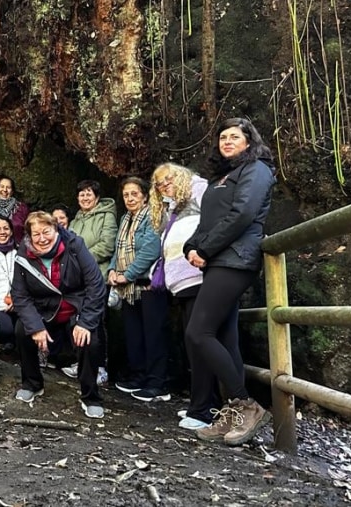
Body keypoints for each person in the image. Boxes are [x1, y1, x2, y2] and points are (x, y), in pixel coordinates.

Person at [184, 118, 276, 445]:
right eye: (222, 137)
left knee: (198, 332)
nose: (227, 141)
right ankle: (233, 414)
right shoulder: (222, 176)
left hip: (235, 258)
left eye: (234, 136)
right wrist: (192, 246)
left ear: (248, 141)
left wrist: (205, 249)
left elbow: (242, 214)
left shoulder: (257, 169)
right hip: (218, 259)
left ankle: (247, 404)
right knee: (225, 337)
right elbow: (209, 220)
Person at [12, 211, 107, 419]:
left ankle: (90, 396)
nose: (42, 238)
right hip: (44, 310)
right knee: (22, 329)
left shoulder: (75, 245)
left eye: (46, 231)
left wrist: (86, 321)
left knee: (89, 340)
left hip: (75, 308)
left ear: (56, 230)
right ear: (29, 236)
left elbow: (96, 284)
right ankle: (32, 383)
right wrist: (35, 327)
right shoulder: (23, 253)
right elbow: (20, 295)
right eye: (36, 234)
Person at [149, 162, 217, 430]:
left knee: (200, 341)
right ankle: (199, 403)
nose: (165, 185)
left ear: (180, 176)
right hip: (182, 283)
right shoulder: (172, 208)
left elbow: (216, 223)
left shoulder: (200, 191)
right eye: (159, 184)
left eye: (168, 179)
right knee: (192, 342)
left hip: (200, 276)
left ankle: (204, 409)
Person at [108, 177, 169, 402]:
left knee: (154, 334)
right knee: (134, 334)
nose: (130, 198)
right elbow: (117, 249)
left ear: (144, 195)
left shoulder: (153, 214)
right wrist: (113, 271)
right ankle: (138, 376)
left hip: (148, 285)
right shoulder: (125, 219)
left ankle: (157, 383)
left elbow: (151, 249)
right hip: (127, 288)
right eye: (126, 195)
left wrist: (128, 275)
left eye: (134, 194)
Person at [65, 180, 117, 384]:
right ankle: (82, 362)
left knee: (96, 322)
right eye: (81, 195)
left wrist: (81, 259)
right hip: (77, 280)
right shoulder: (77, 219)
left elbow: (107, 245)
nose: (85, 198)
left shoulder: (107, 216)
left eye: (88, 194)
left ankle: (100, 366)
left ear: (96, 196)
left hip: (97, 277)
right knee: (77, 320)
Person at [0, 215, 18, 353]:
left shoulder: (19, 252)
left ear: (11, 231)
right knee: (6, 329)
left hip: (18, 301)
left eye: (6, 228)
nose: (2, 232)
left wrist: (16, 299)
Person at [0, 175, 30, 242]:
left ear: (12, 191)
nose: (5, 190)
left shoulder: (22, 208)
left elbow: (29, 230)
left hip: (18, 248)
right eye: (2, 186)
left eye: (8, 187)